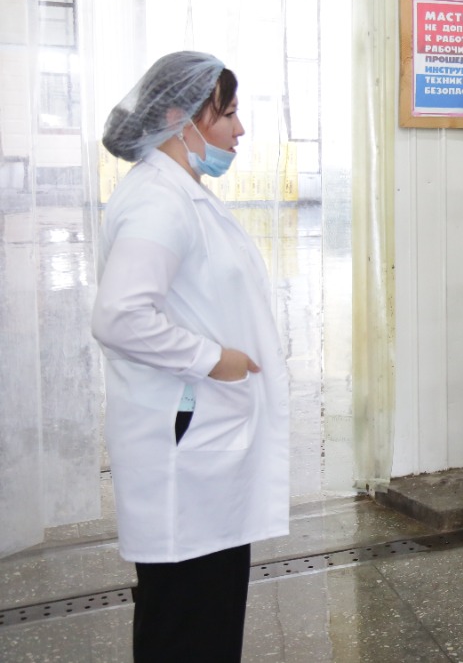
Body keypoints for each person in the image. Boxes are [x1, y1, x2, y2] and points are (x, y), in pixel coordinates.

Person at [92, 51, 290, 662]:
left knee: (203, 613)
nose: (239, 129)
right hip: (187, 440)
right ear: (177, 118)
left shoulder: (180, 192)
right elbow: (120, 316)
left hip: (204, 437)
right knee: (188, 621)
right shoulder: (160, 201)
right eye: (227, 114)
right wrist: (214, 359)